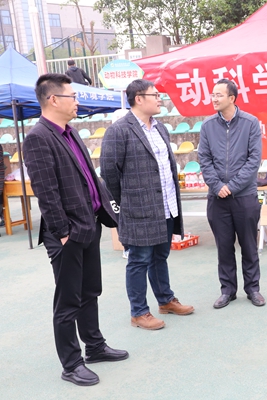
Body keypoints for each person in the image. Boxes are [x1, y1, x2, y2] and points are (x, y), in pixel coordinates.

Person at [22, 73, 128, 386]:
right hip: (66, 233)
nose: (77, 101)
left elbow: (87, 178)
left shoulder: (71, 132)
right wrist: (63, 232)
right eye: (73, 96)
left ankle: (94, 346)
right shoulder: (38, 137)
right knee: (68, 300)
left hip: (88, 224)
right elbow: (46, 191)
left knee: (90, 291)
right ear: (53, 99)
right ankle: (71, 364)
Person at [101, 79, 194, 330]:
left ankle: (165, 300)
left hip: (166, 205)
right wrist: (127, 203)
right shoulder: (119, 131)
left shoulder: (160, 128)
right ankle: (139, 312)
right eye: (155, 95)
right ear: (139, 99)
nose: (159, 99)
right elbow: (109, 173)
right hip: (138, 209)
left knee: (160, 255)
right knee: (139, 259)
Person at [198, 78, 265, 309]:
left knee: (249, 246)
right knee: (224, 247)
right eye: (212, 94)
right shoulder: (207, 125)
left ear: (232, 98)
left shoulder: (250, 123)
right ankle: (227, 290)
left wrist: (232, 186)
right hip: (217, 198)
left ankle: (253, 289)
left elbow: (254, 160)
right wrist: (218, 186)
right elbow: (204, 159)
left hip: (245, 197)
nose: (214, 98)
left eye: (219, 95)